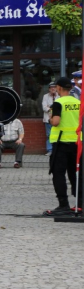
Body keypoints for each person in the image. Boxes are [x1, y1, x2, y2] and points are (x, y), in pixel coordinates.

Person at [43, 77, 83, 216]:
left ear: (59, 88)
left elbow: (55, 122)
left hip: (61, 143)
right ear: (70, 88)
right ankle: (80, 203)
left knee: (58, 174)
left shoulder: (58, 103)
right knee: (76, 174)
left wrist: (49, 118)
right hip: (77, 143)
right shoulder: (78, 102)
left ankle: (63, 204)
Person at [42, 82, 59, 156]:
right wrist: (53, 109)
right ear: (49, 89)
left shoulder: (59, 96)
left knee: (58, 135)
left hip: (58, 119)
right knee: (49, 135)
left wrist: (50, 108)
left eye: (54, 87)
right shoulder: (45, 96)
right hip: (48, 119)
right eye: (51, 87)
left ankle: (57, 150)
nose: (53, 88)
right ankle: (50, 150)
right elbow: (44, 107)